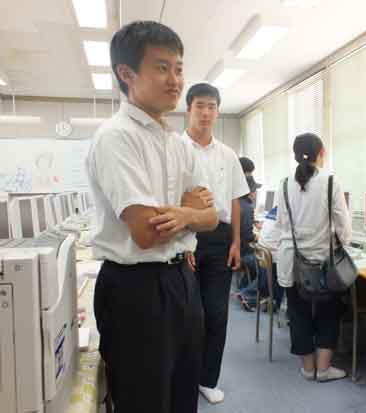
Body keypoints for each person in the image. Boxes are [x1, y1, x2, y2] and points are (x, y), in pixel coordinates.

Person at [87, 21, 218, 413]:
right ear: (126, 74)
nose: (175, 80)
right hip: (136, 289)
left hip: (182, 281)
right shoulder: (116, 137)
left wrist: (183, 213)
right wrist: (189, 211)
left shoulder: (177, 144)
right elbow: (146, 232)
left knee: (183, 396)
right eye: (162, 68)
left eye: (178, 68)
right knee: (144, 401)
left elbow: (212, 217)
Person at [182, 82, 249, 404]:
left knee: (217, 314)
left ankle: (208, 379)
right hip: (185, 239)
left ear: (218, 112)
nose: (206, 113)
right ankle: (184, 378)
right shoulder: (175, 149)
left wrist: (236, 242)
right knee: (187, 316)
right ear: (189, 109)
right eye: (200, 106)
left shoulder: (227, 154)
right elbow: (169, 200)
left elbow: (235, 200)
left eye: (211, 107)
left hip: (220, 239)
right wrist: (183, 242)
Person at [275, 132, 352, 382]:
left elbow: (281, 223)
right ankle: (324, 369)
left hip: (291, 262)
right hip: (323, 262)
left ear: (295, 156)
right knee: (329, 312)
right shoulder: (330, 181)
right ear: (321, 153)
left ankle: (308, 369)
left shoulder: (284, 184)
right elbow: (343, 225)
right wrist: (343, 243)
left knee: (298, 314)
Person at [236, 205, 284, 311]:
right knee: (284, 272)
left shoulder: (276, 209)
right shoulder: (288, 213)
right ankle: (252, 296)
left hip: (261, 252)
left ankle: (247, 292)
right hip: (270, 255)